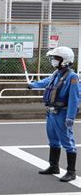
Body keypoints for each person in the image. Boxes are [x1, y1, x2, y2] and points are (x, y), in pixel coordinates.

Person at [28, 46, 78, 182]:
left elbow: (74, 99)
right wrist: (33, 85)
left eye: (56, 58)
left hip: (62, 113)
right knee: (53, 141)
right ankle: (53, 166)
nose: (53, 61)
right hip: (51, 112)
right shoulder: (57, 74)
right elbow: (46, 82)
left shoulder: (72, 77)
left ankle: (71, 171)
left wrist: (70, 117)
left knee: (68, 142)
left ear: (64, 60)